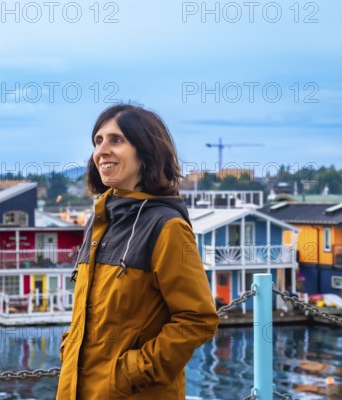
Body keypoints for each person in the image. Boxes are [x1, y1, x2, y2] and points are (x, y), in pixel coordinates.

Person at [56, 104, 219, 399]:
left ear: (145, 152)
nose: (102, 150)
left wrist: (131, 373)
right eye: (98, 141)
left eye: (116, 140)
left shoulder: (166, 227)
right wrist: (71, 348)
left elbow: (197, 320)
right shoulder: (98, 221)